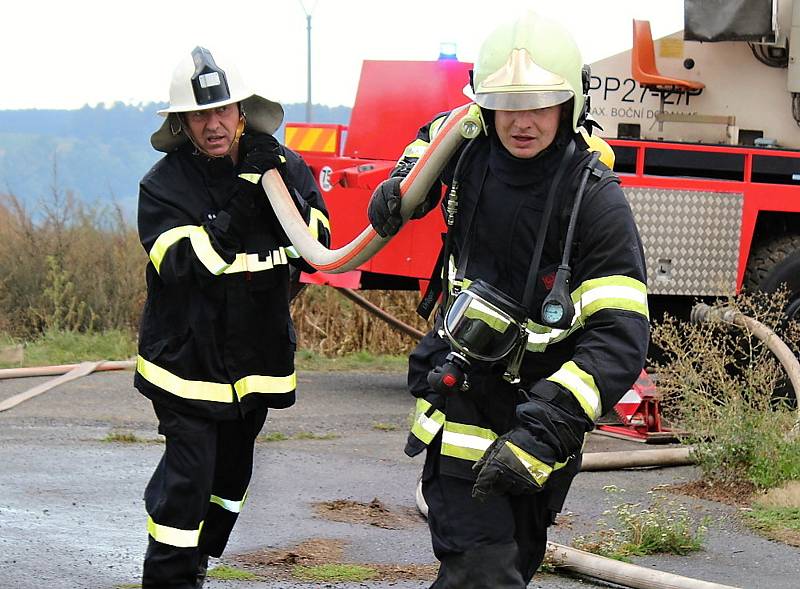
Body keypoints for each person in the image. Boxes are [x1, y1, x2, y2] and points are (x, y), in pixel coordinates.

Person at [368, 11, 649, 588]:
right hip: (462, 400)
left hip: (543, 420)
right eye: (507, 103)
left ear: (570, 105)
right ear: (486, 105)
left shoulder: (594, 203)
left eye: (540, 103)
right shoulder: (467, 152)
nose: (522, 121)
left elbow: (620, 335)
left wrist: (545, 429)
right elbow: (427, 149)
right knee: (483, 573)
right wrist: (396, 189)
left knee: (513, 564)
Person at [135, 46, 330, 589]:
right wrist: (247, 190)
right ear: (183, 123)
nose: (214, 123)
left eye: (223, 110)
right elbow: (190, 265)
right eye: (200, 115)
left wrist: (276, 185)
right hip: (186, 365)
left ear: (243, 112)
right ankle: (169, 578)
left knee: (230, 480)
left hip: (254, 362)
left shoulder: (283, 167)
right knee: (188, 479)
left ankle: (197, 562)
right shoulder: (162, 187)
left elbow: (319, 242)